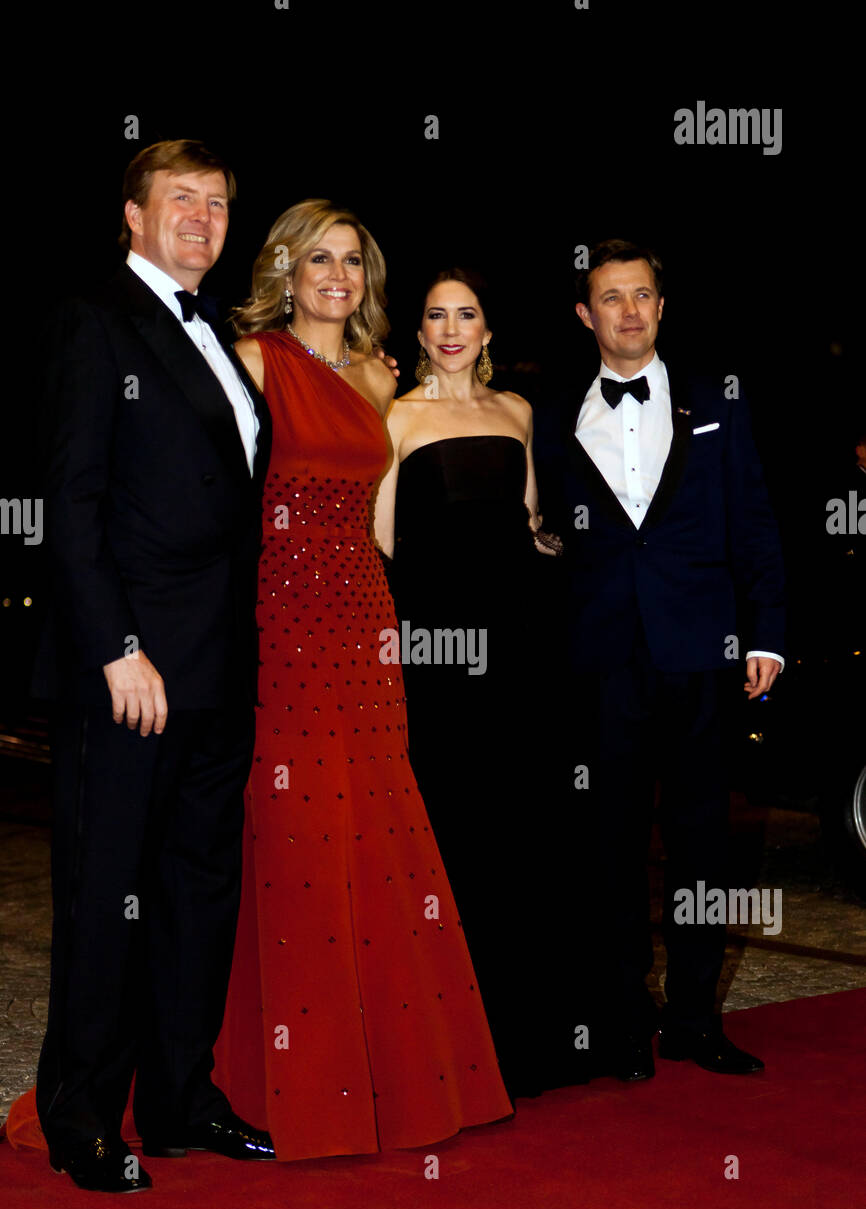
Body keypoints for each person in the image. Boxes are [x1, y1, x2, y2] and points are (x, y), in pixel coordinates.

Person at [211, 203, 513, 1158]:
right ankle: (284, 1084)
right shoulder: (254, 362)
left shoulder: (382, 376)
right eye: (318, 259)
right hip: (280, 624)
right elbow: (224, 501)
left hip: (365, 623)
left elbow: (391, 514)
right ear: (286, 271)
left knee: (378, 828)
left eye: (351, 261)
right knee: (295, 836)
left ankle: (390, 1076)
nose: (336, 275)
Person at [4, 140, 275, 1190]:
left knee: (197, 895)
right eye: (181, 200)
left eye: (216, 202)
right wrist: (117, 647)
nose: (202, 218)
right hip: (129, 675)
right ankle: (81, 1116)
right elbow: (69, 506)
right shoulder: (93, 321)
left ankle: (177, 1099)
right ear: (132, 214)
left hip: (218, 671)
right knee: (105, 896)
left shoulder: (219, 336)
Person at [534, 239, 786, 1082]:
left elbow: (754, 520)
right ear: (585, 313)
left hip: (702, 654)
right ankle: (620, 1019)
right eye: (611, 298)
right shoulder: (549, 410)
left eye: (642, 295)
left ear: (662, 306)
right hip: (602, 660)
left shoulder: (720, 401)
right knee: (606, 847)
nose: (630, 311)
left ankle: (691, 1019)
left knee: (701, 845)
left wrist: (766, 633)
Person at [376, 269, 584, 1097]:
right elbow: (384, 541)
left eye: (467, 315)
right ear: (418, 332)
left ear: (488, 330)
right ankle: (446, 1036)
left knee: (517, 827)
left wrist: (553, 551)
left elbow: (527, 524)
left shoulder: (518, 413)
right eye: (437, 316)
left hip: (519, 648)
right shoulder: (394, 417)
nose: (452, 328)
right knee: (450, 823)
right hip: (437, 651)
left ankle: (521, 1033)